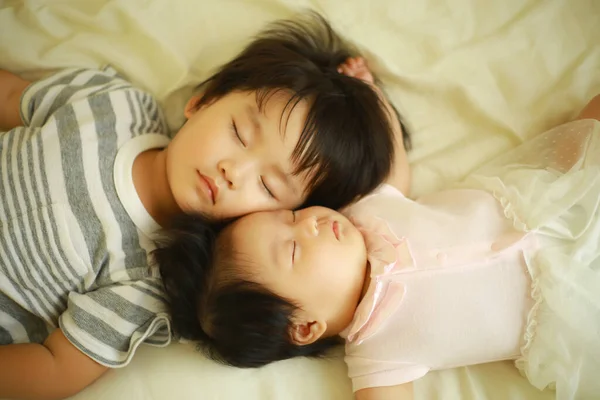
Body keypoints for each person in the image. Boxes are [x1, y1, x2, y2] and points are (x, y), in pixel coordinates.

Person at [0, 12, 408, 399]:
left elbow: (53, 368)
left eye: (267, 186)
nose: (234, 170)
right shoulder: (113, 105)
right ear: (203, 101)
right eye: (239, 133)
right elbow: (13, 96)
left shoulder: (148, 282)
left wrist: (376, 108)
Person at [155, 93, 600, 400]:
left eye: (292, 215)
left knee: (588, 131)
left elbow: (393, 168)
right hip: (571, 297)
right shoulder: (378, 354)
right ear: (305, 326)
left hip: (543, 200)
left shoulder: (365, 213)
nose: (309, 223)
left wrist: (374, 98)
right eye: (293, 250)